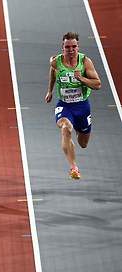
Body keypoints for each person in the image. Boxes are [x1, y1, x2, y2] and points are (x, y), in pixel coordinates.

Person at [45, 32, 101, 180]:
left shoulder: (85, 62)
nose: (71, 50)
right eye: (67, 47)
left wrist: (81, 78)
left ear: (78, 47)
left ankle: (77, 130)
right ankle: (73, 168)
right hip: (65, 105)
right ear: (62, 47)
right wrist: (50, 90)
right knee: (65, 127)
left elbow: (97, 84)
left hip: (82, 107)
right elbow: (53, 71)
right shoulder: (56, 62)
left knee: (83, 143)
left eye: (74, 46)